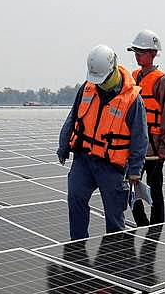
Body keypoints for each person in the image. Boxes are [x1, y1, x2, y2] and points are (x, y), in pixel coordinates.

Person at [58, 44, 148, 240]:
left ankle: (114, 252)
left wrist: (135, 170)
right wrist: (63, 145)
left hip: (112, 166)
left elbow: (140, 137)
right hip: (84, 160)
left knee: (114, 215)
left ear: (113, 69)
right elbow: (73, 117)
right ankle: (77, 246)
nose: (100, 83)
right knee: (75, 198)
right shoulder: (87, 88)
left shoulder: (132, 99)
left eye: (104, 79)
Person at [127, 29, 165, 227]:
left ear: (153, 53)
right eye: (136, 52)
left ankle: (156, 231)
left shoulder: (162, 81)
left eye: (141, 52)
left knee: (155, 192)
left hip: (154, 149)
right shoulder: (132, 77)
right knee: (131, 190)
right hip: (134, 148)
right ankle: (142, 226)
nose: (137, 56)